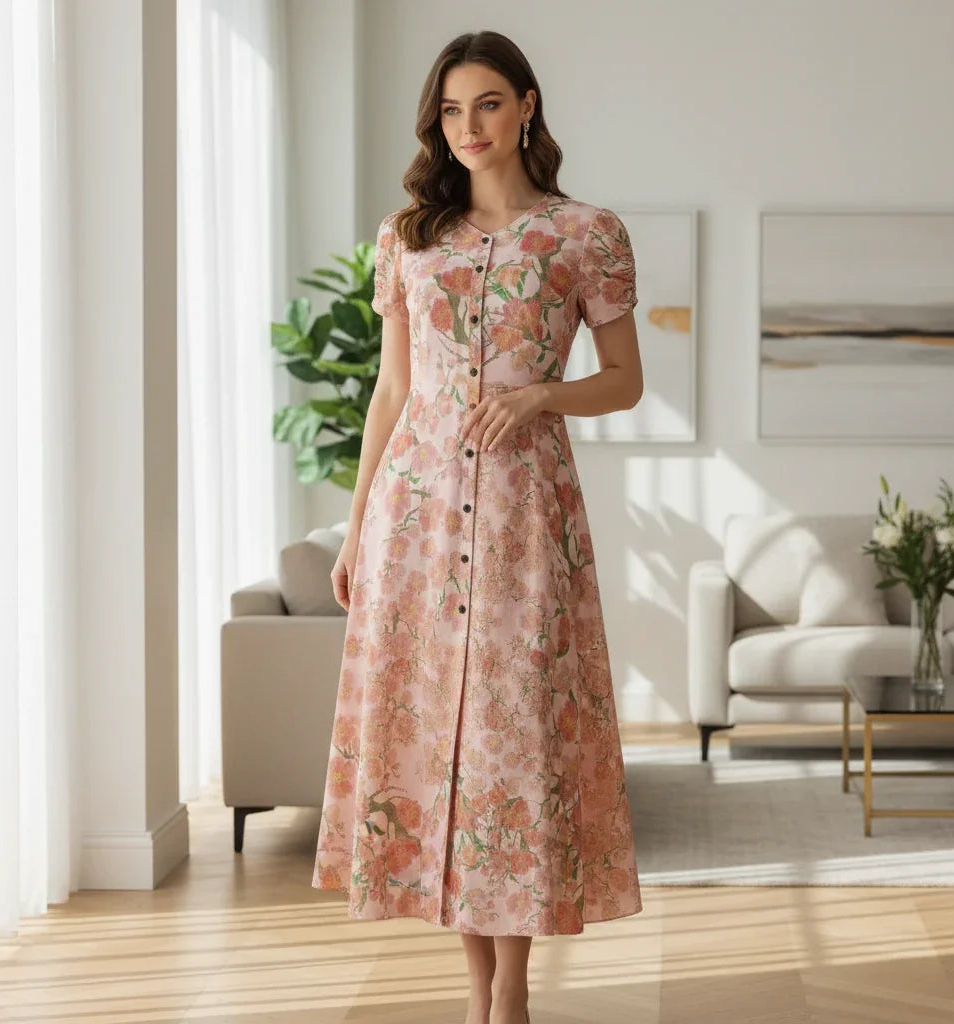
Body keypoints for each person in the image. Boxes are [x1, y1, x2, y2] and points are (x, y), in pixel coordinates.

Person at [311, 29, 645, 1024]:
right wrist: (354, 524)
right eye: (452, 110)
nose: (469, 127)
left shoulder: (586, 234)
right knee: (439, 750)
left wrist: (544, 394)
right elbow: (392, 390)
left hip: (523, 518)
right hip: (414, 519)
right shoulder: (407, 235)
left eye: (488, 104)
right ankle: (479, 995)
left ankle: (515, 987)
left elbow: (626, 382)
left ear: (527, 106)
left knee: (512, 740)